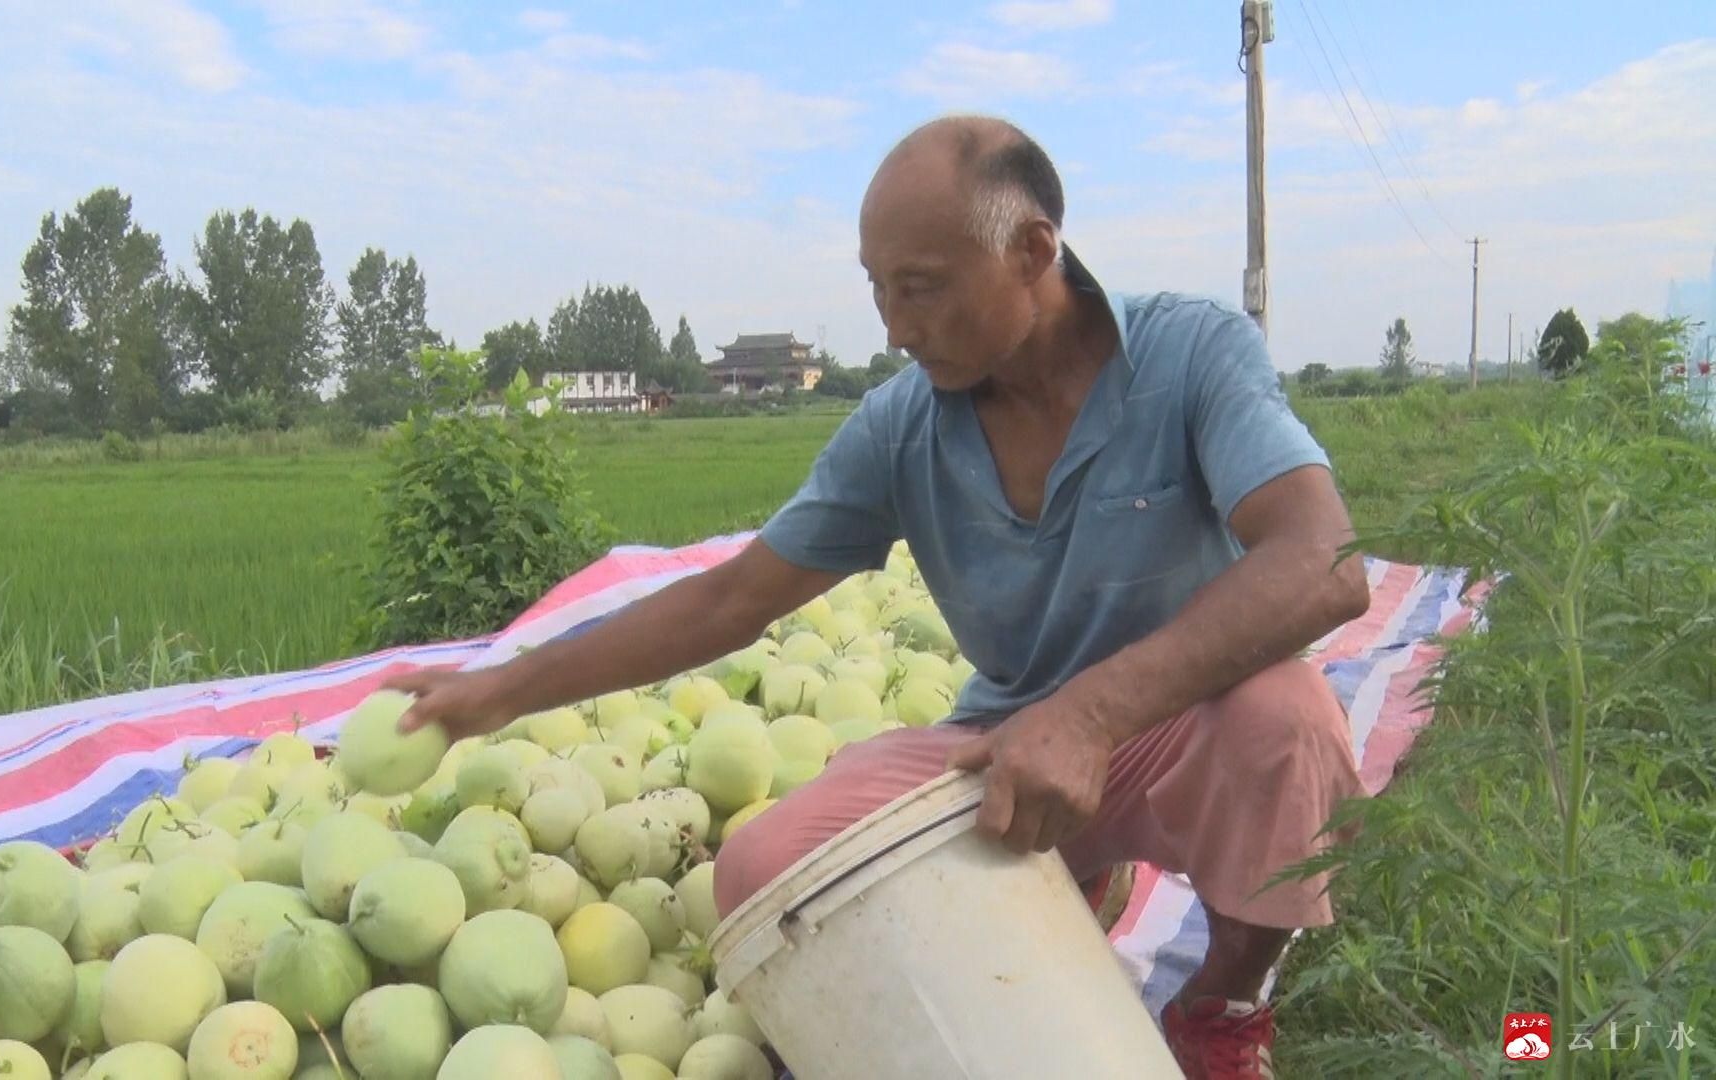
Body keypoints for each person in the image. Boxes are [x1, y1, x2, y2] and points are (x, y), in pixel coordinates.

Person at [387, 115, 1373, 1080]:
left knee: (1286, 720)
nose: (897, 328)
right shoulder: (902, 426)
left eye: (923, 288)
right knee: (765, 873)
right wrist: (501, 691)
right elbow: (728, 601)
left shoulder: (1190, 353)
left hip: (1177, 726)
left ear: (1032, 251)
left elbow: (1323, 560)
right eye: (878, 289)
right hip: (1002, 745)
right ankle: (1064, 885)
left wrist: (1093, 712)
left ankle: (1222, 1009)